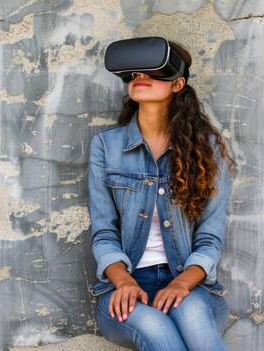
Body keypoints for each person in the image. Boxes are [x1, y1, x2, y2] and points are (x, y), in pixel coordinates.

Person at [88, 37, 234, 351]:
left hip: (190, 284)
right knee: (156, 330)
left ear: (178, 83)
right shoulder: (106, 145)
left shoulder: (206, 149)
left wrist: (182, 282)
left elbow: (210, 235)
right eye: (134, 74)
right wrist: (123, 280)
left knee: (193, 315)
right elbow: (103, 232)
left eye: (152, 72)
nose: (140, 77)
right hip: (123, 287)